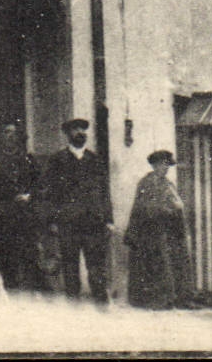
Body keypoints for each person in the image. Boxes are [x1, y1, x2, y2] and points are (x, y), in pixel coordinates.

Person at [40, 117, 111, 303]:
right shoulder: (57, 160)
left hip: (93, 222)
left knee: (96, 268)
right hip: (68, 222)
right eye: (76, 130)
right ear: (67, 134)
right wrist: (52, 220)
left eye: (83, 129)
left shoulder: (95, 160)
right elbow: (48, 193)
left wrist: (108, 219)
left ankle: (101, 308)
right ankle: (74, 310)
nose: (80, 133)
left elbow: (104, 191)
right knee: (70, 268)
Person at [125, 149, 189, 309]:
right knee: (154, 265)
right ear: (154, 165)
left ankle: (169, 299)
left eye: (167, 165)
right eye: (162, 165)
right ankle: (155, 301)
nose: (166, 168)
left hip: (168, 231)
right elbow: (144, 208)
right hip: (150, 232)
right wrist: (167, 210)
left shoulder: (167, 183)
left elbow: (177, 204)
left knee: (169, 264)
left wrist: (176, 211)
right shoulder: (147, 183)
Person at [0, 123, 42, 292]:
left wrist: (29, 196)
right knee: (8, 264)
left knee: (30, 261)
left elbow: (41, 185)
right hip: (3, 220)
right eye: (6, 132)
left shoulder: (29, 160)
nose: (10, 136)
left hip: (26, 219)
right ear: (1, 138)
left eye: (14, 133)